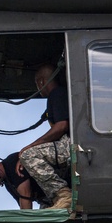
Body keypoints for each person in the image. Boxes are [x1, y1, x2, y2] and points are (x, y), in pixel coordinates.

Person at [17, 63, 72, 209]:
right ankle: (54, 202)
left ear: (41, 82)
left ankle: (64, 195)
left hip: (71, 145)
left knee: (29, 155)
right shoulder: (58, 95)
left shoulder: (57, 94)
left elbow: (62, 126)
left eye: (37, 83)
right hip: (68, 147)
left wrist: (31, 146)